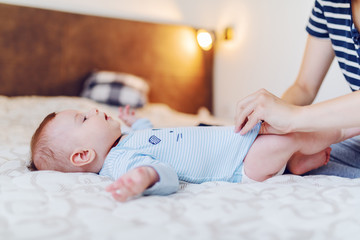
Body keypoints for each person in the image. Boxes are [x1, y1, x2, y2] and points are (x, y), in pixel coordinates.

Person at [29, 105, 360, 202]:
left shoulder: (129, 138)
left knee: (283, 129)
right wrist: (146, 177)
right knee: (286, 138)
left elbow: (151, 130)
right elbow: (166, 175)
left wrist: (134, 119)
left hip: (238, 141)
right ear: (83, 156)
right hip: (241, 165)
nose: (93, 110)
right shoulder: (121, 162)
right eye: (83, 119)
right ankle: (346, 128)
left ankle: (297, 161)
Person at [234, 0, 360, 178]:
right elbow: (304, 87)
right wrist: (273, 121)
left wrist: (293, 118)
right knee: (276, 150)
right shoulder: (328, 4)